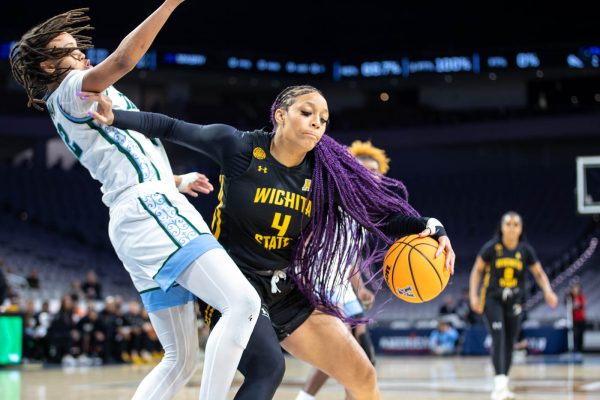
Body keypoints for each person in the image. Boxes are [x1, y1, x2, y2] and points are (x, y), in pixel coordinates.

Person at [86, 85, 456, 400]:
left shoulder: (326, 174)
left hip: (284, 288)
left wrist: (431, 226)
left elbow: (380, 215)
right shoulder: (239, 148)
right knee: (268, 367)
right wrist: (115, 116)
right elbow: (171, 127)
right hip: (232, 286)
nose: (317, 123)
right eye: (307, 112)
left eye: (324, 119)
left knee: (363, 375)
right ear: (280, 114)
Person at [10, 4, 261, 399]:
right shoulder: (71, 89)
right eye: (68, 49)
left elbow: (122, 153)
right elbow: (125, 59)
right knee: (243, 302)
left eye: (79, 48)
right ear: (46, 66)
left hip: (138, 212)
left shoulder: (73, 99)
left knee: (179, 359)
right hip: (149, 210)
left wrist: (173, 179)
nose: (80, 54)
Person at [296, 140, 386, 400]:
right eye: (363, 169)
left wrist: (361, 288)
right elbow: (306, 238)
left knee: (359, 355)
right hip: (318, 279)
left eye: (375, 171)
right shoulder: (334, 198)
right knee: (346, 350)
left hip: (342, 286)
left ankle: (306, 398)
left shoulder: (364, 212)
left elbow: (350, 257)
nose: (370, 175)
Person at [469, 211, 558, 400]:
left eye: (516, 224)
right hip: (492, 299)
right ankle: (499, 386)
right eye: (508, 223)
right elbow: (476, 271)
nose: (511, 227)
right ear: (501, 227)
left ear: (521, 229)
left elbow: (539, 273)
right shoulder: (491, 248)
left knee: (510, 342)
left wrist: (548, 291)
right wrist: (473, 296)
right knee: (499, 337)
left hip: (515, 301)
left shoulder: (525, 250)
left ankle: (504, 384)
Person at [567, 282, 586, 354]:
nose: (575, 290)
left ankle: (581, 350)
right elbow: (567, 304)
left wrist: (574, 306)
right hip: (574, 320)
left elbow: (580, 306)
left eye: (576, 288)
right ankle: (576, 350)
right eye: (574, 289)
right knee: (575, 335)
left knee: (581, 335)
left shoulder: (581, 297)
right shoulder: (570, 298)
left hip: (581, 319)